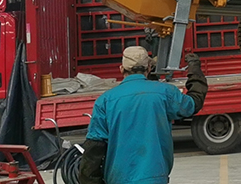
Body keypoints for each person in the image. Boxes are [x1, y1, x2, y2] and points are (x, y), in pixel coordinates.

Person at [79, 46, 209, 184]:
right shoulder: (165, 93)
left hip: (118, 179)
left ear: (121, 69)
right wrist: (195, 72)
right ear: (148, 68)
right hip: (155, 178)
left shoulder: (105, 101)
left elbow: (94, 148)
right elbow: (194, 103)